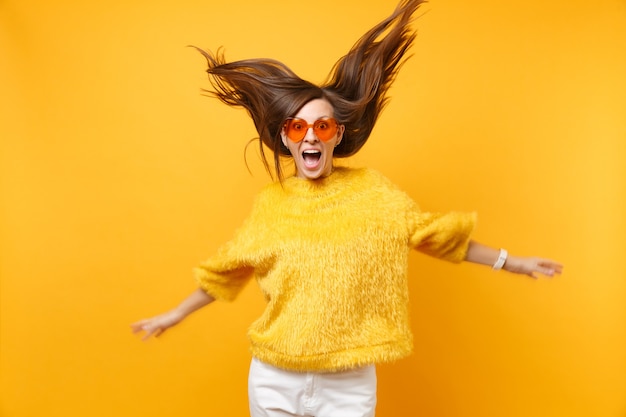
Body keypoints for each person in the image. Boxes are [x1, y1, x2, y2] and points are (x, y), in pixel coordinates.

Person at [131, 1, 563, 416]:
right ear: (286, 139)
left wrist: (514, 262)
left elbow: (435, 235)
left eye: (322, 126)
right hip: (274, 376)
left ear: (338, 134)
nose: (311, 137)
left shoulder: (374, 193)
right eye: (298, 127)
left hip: (348, 381)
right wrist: (173, 315)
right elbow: (226, 270)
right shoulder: (271, 204)